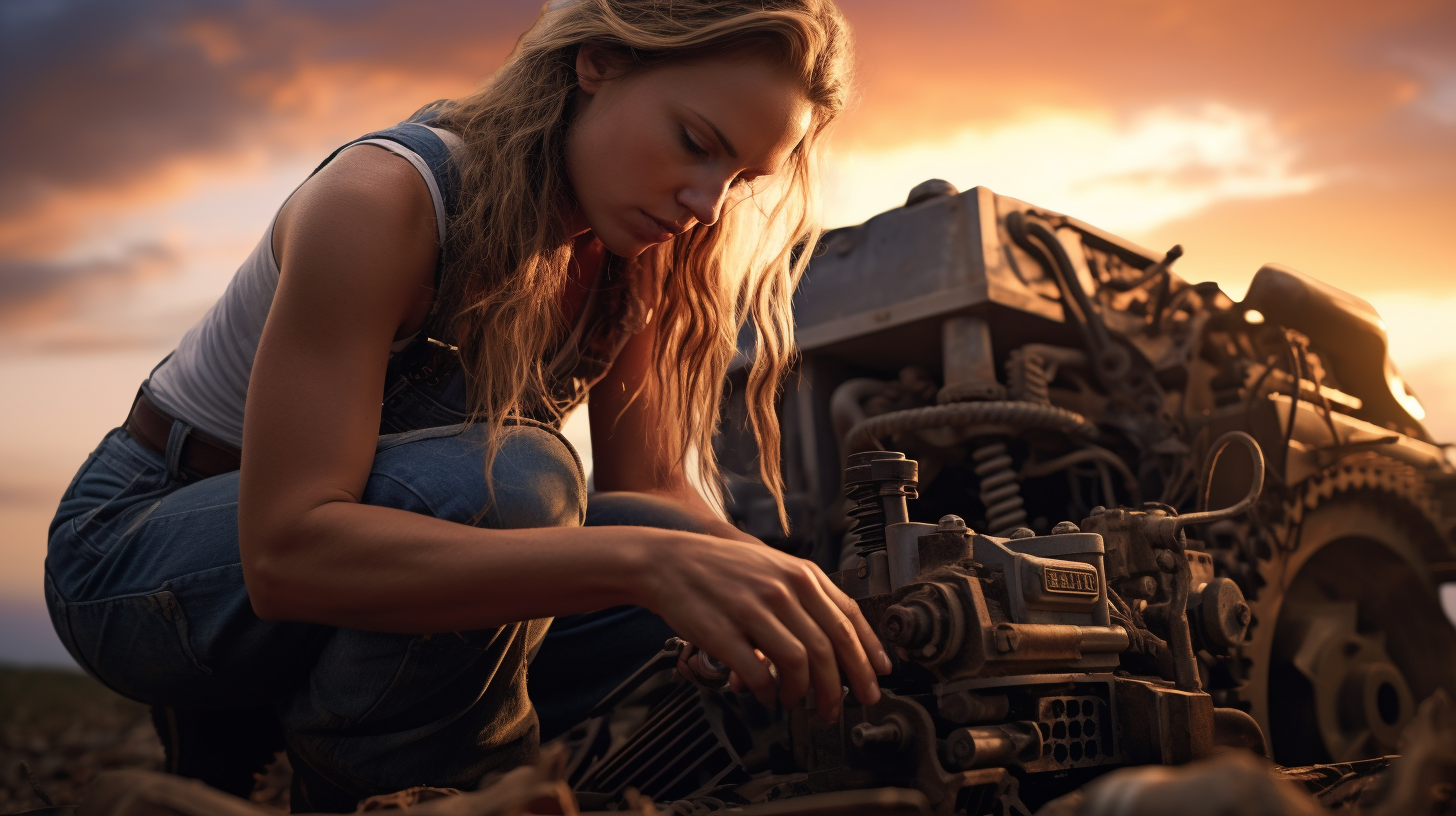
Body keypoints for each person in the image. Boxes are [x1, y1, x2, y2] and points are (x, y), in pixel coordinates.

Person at [44, 0, 889, 811]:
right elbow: (285, 553)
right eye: (695, 142)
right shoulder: (382, 200)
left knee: (730, 580)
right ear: (598, 61)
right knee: (515, 483)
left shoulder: (645, 253)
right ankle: (403, 794)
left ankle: (308, 722)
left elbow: (655, 494)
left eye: (739, 177)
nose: (705, 203)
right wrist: (647, 563)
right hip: (147, 561)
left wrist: (798, 590)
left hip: (350, 567)